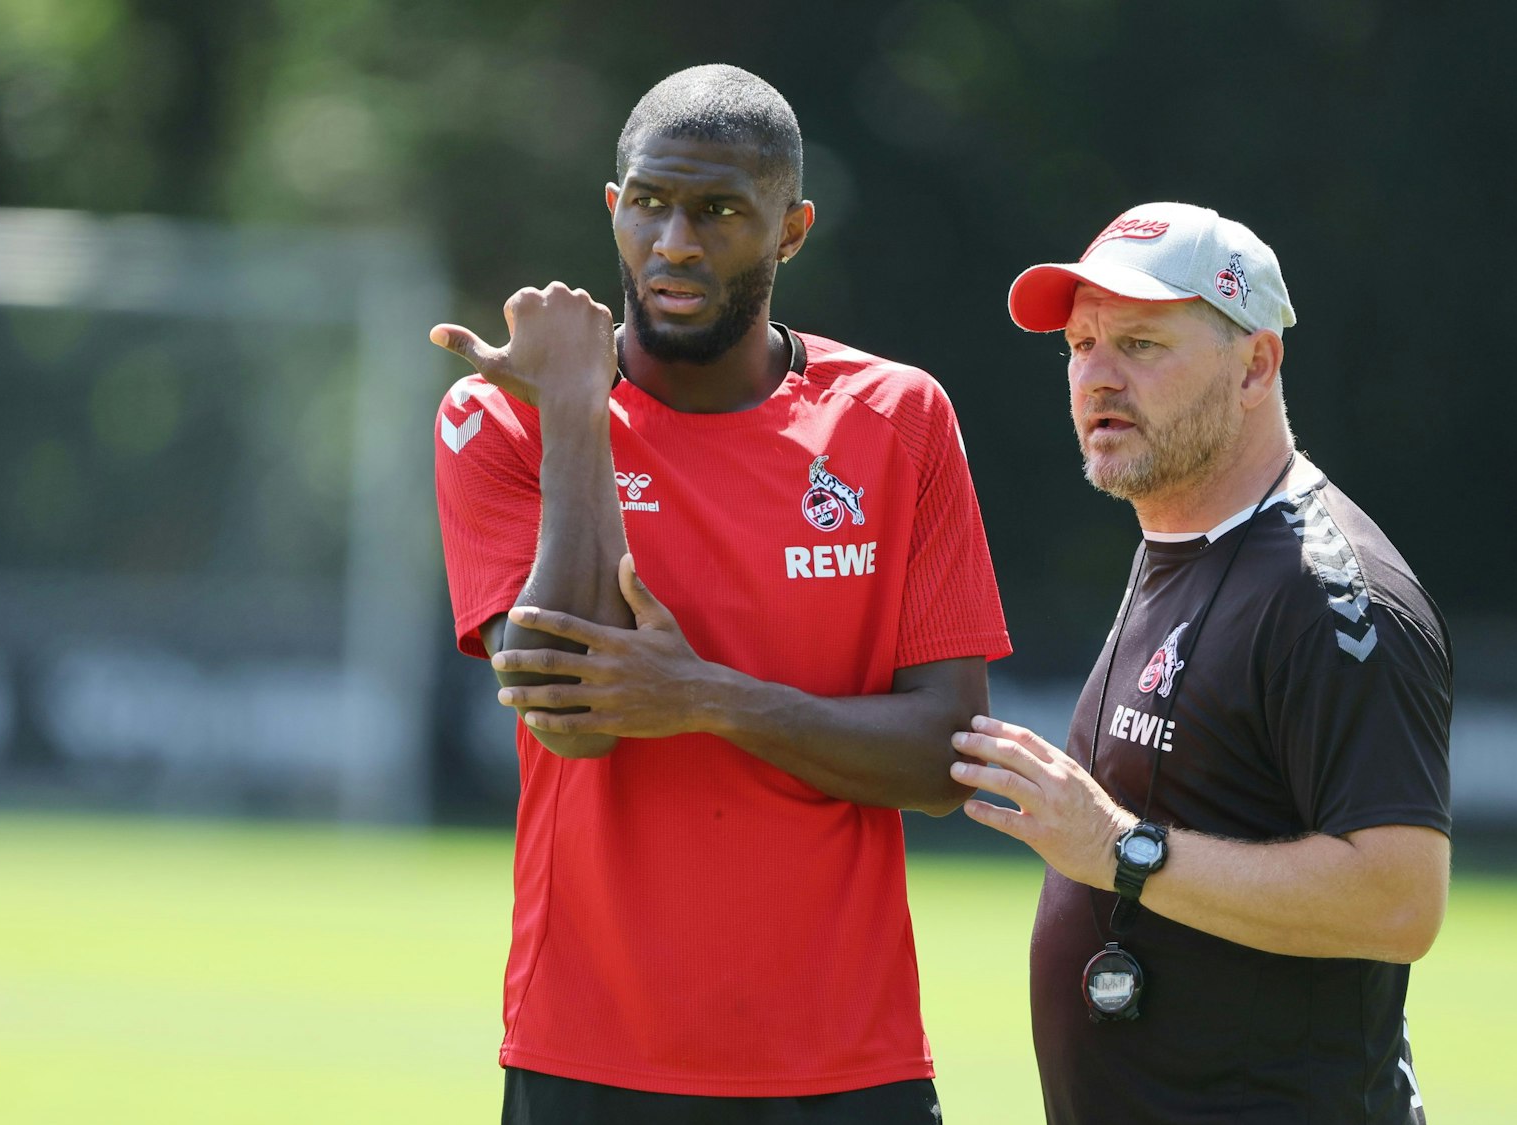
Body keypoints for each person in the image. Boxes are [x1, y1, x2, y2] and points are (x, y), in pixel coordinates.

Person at [427, 65, 1009, 1124]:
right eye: (649, 204)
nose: (676, 243)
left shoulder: (898, 419)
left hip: (846, 1062)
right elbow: (571, 720)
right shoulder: (502, 417)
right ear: (614, 208)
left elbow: (943, 760)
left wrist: (707, 697)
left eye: (720, 212)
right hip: (591, 1054)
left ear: (792, 231)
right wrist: (578, 412)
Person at [949, 202, 1451, 1124]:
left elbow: (1399, 901)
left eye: (1141, 344)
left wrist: (1119, 849)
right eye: (1081, 344)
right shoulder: (1179, 537)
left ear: (1255, 365)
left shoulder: (1332, 596)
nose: (1098, 376)